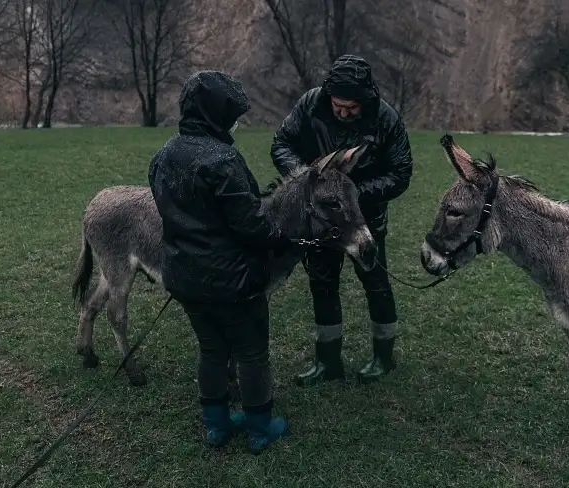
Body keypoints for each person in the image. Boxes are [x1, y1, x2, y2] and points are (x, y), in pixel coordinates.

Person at [147, 70, 292, 454]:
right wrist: (281, 238)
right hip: (234, 283)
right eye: (231, 114)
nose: (235, 122)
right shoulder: (223, 160)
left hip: (183, 277)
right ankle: (261, 428)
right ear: (216, 113)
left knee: (211, 350)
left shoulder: (163, 154)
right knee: (251, 352)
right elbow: (250, 223)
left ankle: (217, 425)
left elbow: (166, 206)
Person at [270, 54, 414, 386]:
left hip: (366, 217)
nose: (344, 113)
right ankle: (327, 362)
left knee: (376, 283)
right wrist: (310, 181)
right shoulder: (310, 104)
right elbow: (281, 144)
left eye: (352, 107)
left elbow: (401, 173)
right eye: (338, 106)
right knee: (321, 283)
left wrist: (351, 191)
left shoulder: (386, 118)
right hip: (319, 220)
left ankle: (383, 357)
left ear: (366, 99)